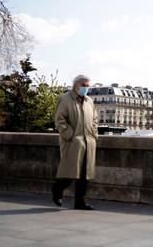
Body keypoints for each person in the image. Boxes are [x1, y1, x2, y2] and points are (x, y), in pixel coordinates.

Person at [51, 74, 98, 210]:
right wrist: (70, 135)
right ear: (76, 85)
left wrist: (93, 135)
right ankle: (57, 191)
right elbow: (60, 120)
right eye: (84, 85)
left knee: (84, 176)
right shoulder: (65, 99)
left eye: (88, 86)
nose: (86, 88)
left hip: (88, 142)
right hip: (73, 142)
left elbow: (95, 120)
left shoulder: (89, 101)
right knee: (69, 173)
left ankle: (80, 202)